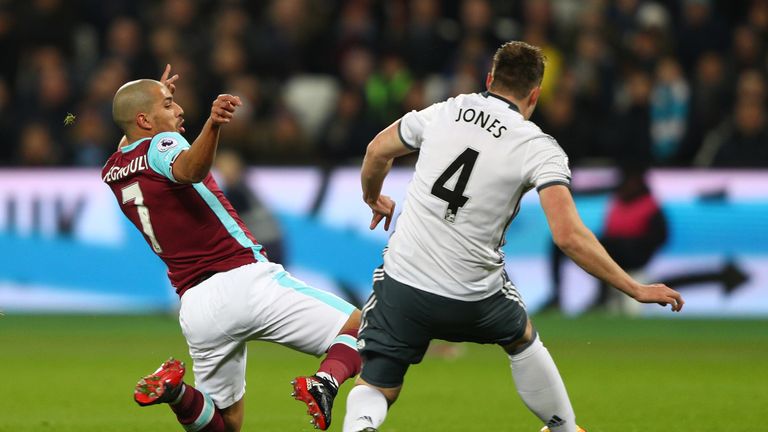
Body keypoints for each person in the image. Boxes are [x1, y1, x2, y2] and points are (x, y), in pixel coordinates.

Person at [342, 41, 684, 432]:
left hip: (405, 285)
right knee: (521, 337)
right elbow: (568, 235)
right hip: (474, 297)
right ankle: (565, 428)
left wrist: (373, 197)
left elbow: (377, 150)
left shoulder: (445, 111)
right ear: (535, 95)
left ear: (490, 79)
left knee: (376, 383)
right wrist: (633, 287)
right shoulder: (538, 147)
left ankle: (362, 426)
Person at [102, 65, 361, 432]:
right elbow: (188, 169)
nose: (179, 112)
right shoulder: (165, 143)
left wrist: (154, 97)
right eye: (170, 104)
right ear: (145, 120)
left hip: (197, 307)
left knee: (226, 424)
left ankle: (177, 393)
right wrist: (213, 125)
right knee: (362, 329)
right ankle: (325, 382)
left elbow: (129, 129)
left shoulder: (115, 167)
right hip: (244, 281)